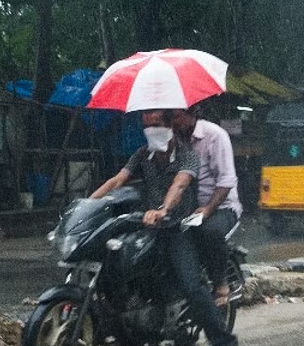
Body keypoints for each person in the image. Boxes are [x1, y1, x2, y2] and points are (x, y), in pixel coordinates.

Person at [90, 109, 238, 346]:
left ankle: (224, 341)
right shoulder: (142, 155)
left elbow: (179, 185)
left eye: (156, 124)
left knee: (193, 287)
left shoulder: (188, 155)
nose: (151, 130)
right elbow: (117, 180)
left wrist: (163, 210)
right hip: (147, 228)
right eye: (147, 126)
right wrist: (87, 203)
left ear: (171, 126)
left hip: (178, 228)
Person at [171, 107, 243, 308]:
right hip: (185, 208)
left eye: (177, 116)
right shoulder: (173, 140)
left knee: (209, 231)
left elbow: (226, 180)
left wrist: (207, 210)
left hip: (221, 207)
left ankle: (220, 281)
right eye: (171, 117)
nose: (174, 122)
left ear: (192, 113)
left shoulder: (214, 136)